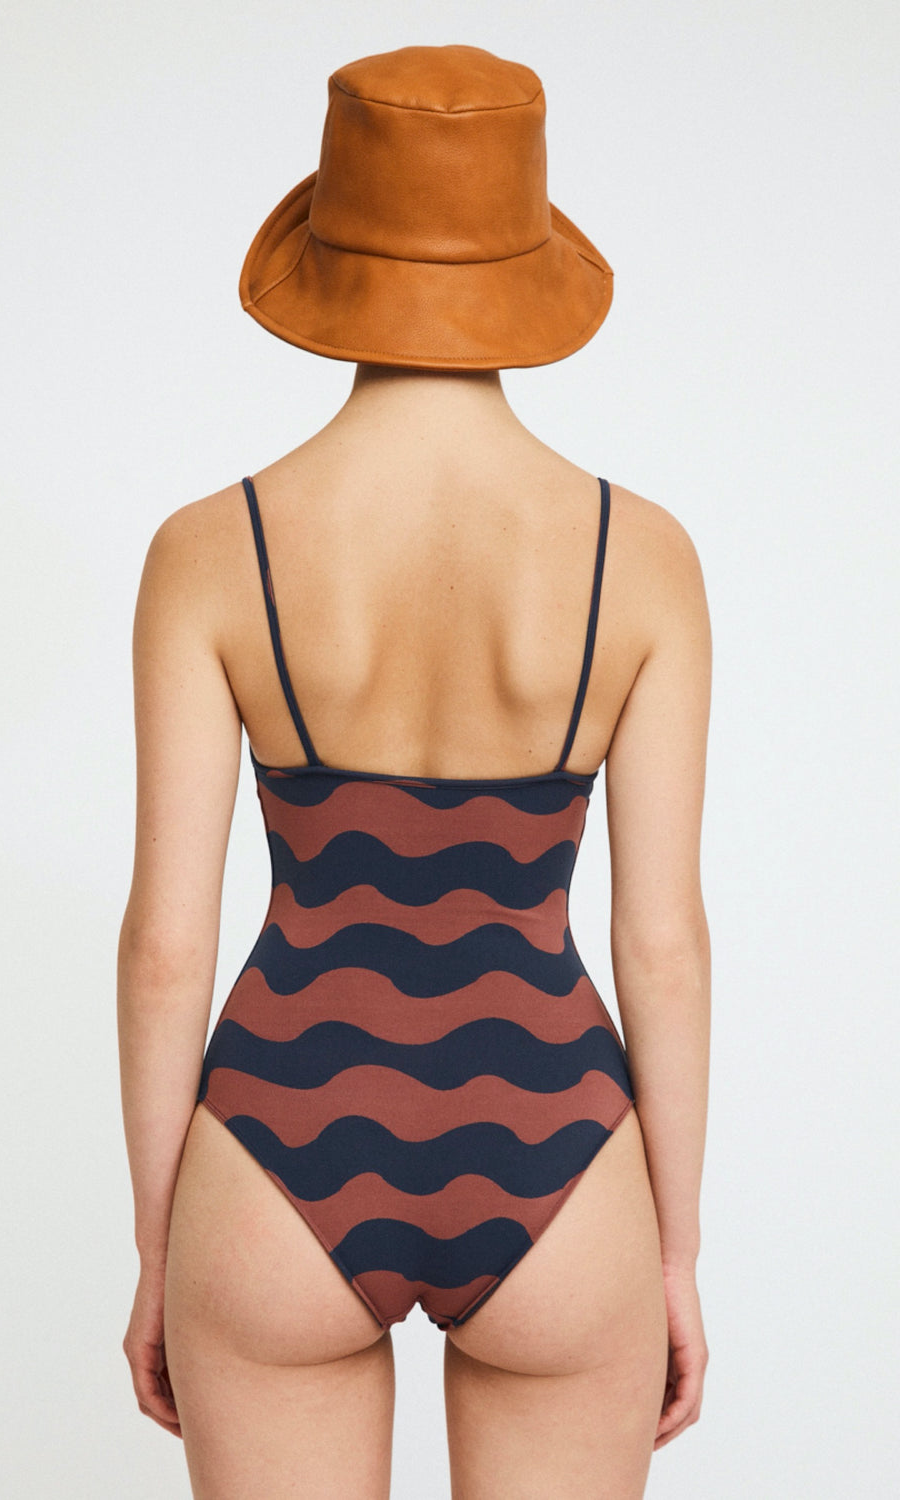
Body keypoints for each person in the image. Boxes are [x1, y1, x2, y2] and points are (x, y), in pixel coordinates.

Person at [118, 43, 711, 1499]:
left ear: (331, 254)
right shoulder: (641, 559)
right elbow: (664, 944)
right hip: (554, 1139)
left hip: (281, 1131)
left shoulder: (210, 551)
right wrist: (675, 1255)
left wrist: (159, 1247)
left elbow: (165, 944)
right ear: (526, 260)